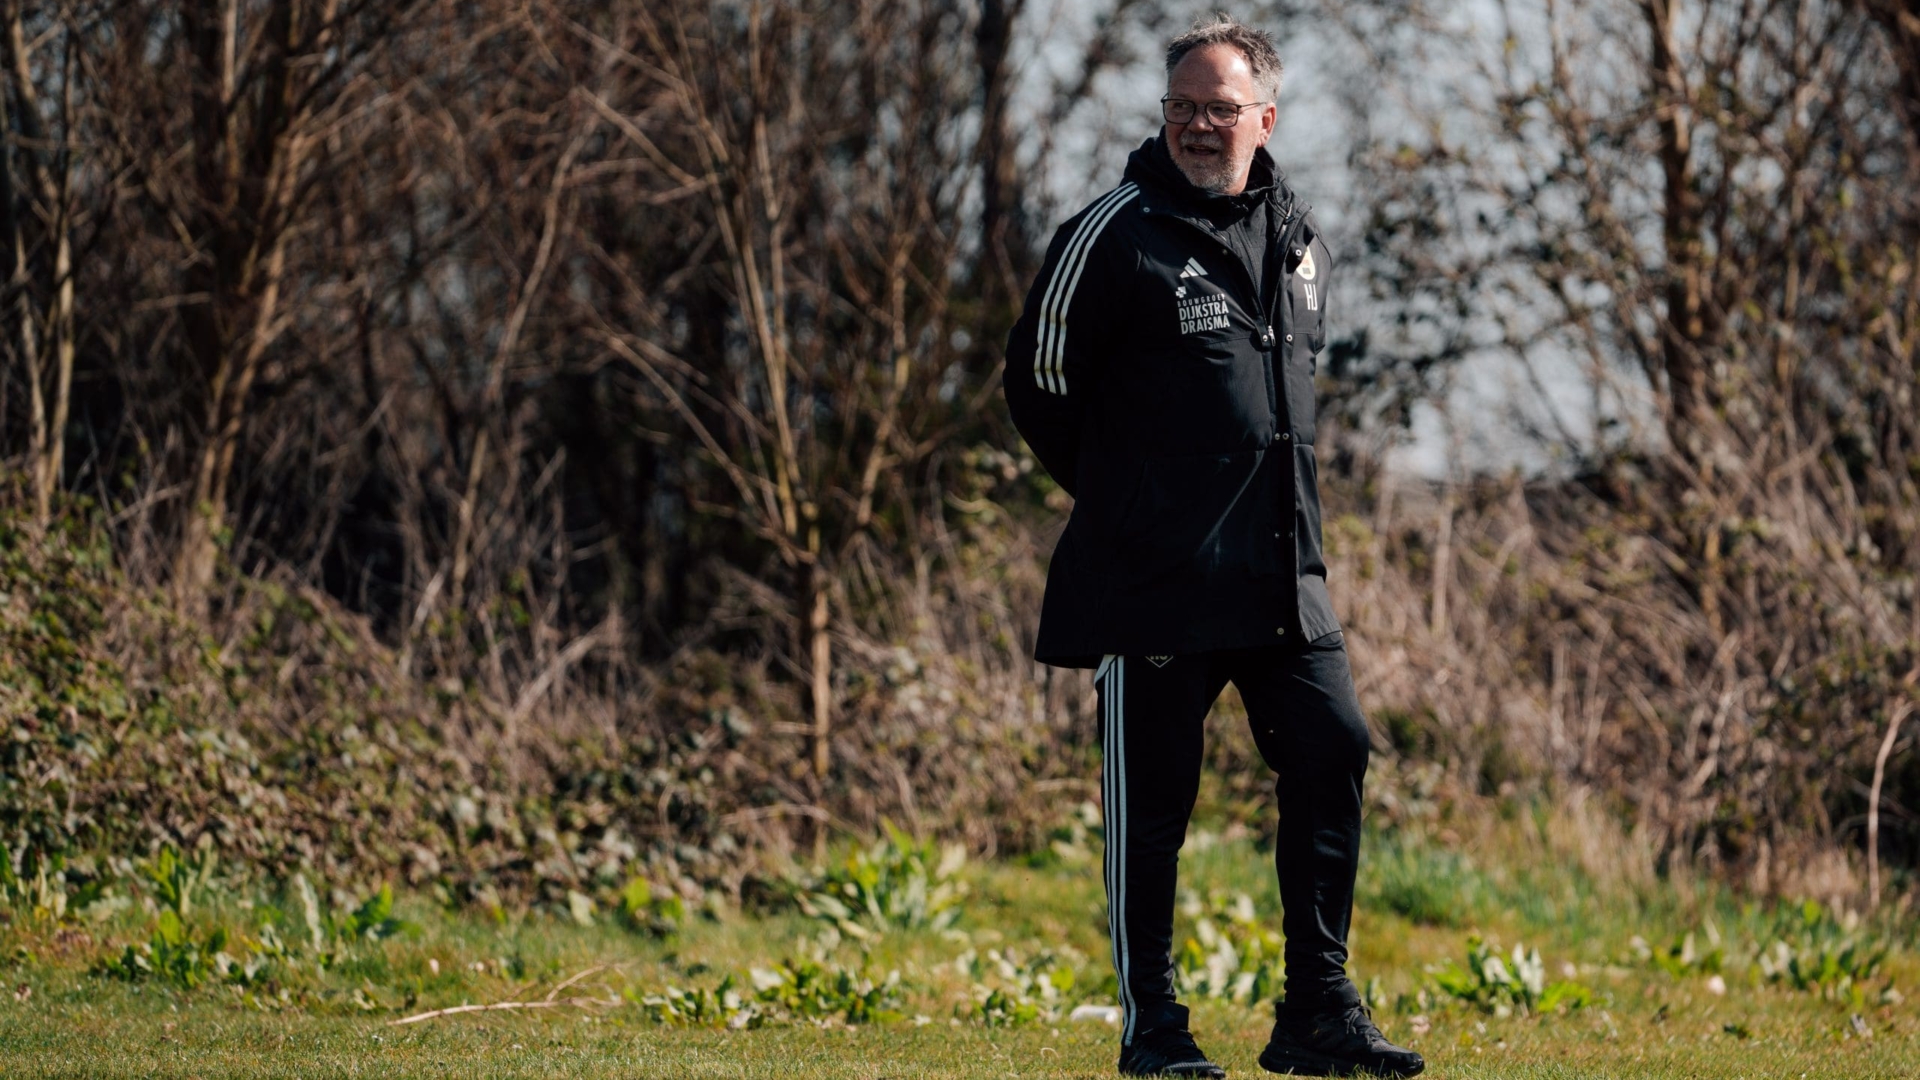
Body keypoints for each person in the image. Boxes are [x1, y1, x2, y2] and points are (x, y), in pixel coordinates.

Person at [1002, 15, 1424, 1079]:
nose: (1197, 125)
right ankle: (1154, 1029)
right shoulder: (1114, 234)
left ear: (1264, 119)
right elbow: (1038, 382)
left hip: (1285, 582)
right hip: (1156, 585)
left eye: (1219, 109)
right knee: (1151, 816)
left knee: (1335, 750)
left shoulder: (1300, 239)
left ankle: (1316, 1012)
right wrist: (1130, 501)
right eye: (1181, 107)